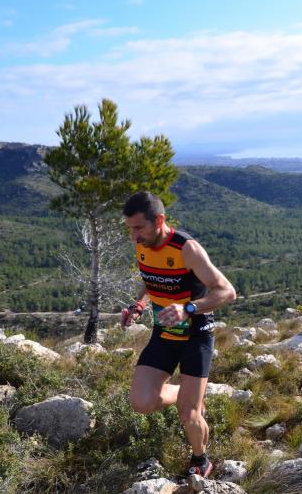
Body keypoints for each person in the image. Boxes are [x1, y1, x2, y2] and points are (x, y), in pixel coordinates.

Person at [121, 191, 236, 478]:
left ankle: (201, 459)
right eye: (130, 229)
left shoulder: (187, 249)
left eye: (138, 228)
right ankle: (186, 394)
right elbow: (150, 279)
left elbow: (227, 292)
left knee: (189, 415)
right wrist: (139, 304)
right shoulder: (142, 245)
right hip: (164, 334)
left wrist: (189, 308)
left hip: (197, 334)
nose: (134, 236)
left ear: (159, 220)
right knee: (141, 402)